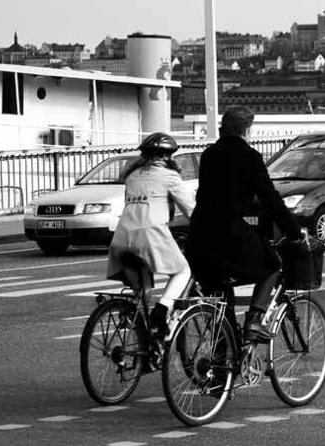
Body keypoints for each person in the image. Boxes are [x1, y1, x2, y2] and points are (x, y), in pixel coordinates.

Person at [185, 106, 303, 343]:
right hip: (228, 235)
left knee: (221, 301)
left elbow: (216, 195)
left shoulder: (209, 155)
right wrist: (294, 232)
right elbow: (270, 198)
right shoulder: (250, 156)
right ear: (247, 129)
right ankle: (254, 320)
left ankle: (220, 369)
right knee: (272, 264)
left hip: (199, 237)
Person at [107, 133, 196, 339]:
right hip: (150, 236)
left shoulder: (132, 176)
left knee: (143, 294)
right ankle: (162, 309)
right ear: (167, 156)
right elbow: (192, 211)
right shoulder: (169, 176)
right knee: (183, 271)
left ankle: (145, 344)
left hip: (121, 239)